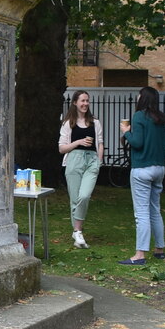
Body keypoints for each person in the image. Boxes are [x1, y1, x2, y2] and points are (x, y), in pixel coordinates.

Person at [119, 86, 165, 265]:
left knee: (141, 213)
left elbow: (137, 143)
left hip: (142, 169)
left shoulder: (139, 115)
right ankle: (160, 250)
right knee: (155, 209)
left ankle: (139, 254)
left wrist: (126, 133)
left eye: (139, 95)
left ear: (143, 99)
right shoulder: (161, 118)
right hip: (159, 168)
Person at [58, 90, 103, 249]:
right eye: (82, 101)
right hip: (74, 160)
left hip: (91, 161)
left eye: (87, 101)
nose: (85, 104)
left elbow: (100, 143)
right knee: (75, 199)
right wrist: (78, 142)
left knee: (84, 196)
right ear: (75, 103)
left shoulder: (95, 122)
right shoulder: (68, 123)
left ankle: (77, 230)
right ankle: (77, 231)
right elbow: (62, 149)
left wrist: (99, 161)